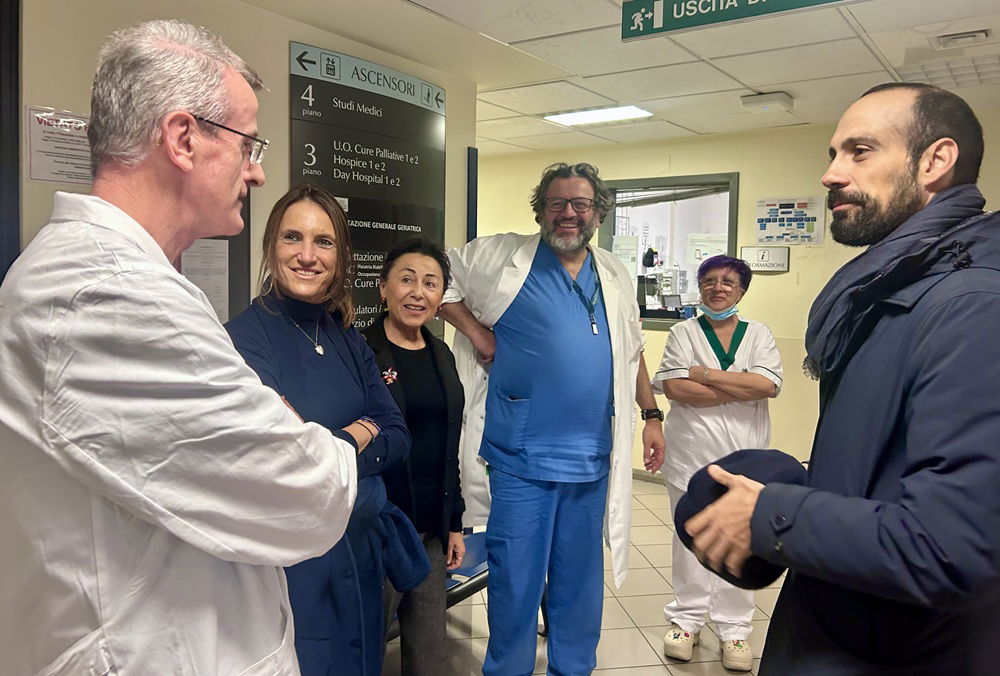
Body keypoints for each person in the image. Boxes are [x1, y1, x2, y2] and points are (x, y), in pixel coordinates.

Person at [0, 20, 359, 675]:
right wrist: (308, 438)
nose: (257, 171)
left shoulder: (126, 283)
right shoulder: (103, 294)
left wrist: (278, 424)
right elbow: (310, 494)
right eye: (249, 145)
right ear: (183, 138)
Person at [683, 83, 1000, 675]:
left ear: (935, 160)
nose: (831, 174)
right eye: (833, 154)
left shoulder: (970, 307)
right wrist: (810, 482)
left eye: (860, 151)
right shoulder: (889, 294)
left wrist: (773, 513)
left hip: (898, 650)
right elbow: (896, 468)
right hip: (837, 623)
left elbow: (954, 548)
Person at [439, 162, 666, 674]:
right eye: (557, 203)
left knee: (579, 582)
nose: (568, 213)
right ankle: (508, 669)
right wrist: (478, 334)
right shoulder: (502, 256)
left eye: (581, 204)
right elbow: (438, 276)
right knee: (516, 580)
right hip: (521, 457)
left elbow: (630, 350)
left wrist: (651, 414)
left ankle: (573, 667)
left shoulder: (614, 272)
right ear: (540, 210)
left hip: (592, 460)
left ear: (598, 213)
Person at [225, 182, 420, 676]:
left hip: (361, 560)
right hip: (295, 565)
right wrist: (361, 431)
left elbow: (397, 433)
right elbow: (285, 461)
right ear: (271, 245)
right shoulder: (244, 340)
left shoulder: (344, 336)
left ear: (341, 256)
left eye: (324, 242)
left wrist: (329, 445)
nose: (307, 256)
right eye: (293, 237)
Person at [652, 255, 782, 671]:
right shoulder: (682, 331)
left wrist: (703, 374)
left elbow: (767, 385)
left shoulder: (758, 333)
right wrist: (739, 387)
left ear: (742, 290)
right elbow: (675, 388)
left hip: (747, 455)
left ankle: (734, 627)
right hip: (690, 452)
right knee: (689, 534)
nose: (718, 288)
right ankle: (687, 619)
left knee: (741, 537)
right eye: (709, 281)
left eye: (728, 281)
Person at [362, 237, 466, 676]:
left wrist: (454, 522)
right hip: (378, 529)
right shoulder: (360, 351)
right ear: (383, 287)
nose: (417, 293)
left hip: (430, 533)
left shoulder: (442, 353)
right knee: (364, 649)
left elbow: (448, 444)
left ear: (440, 296)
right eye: (406, 280)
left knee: (429, 654)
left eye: (430, 283)